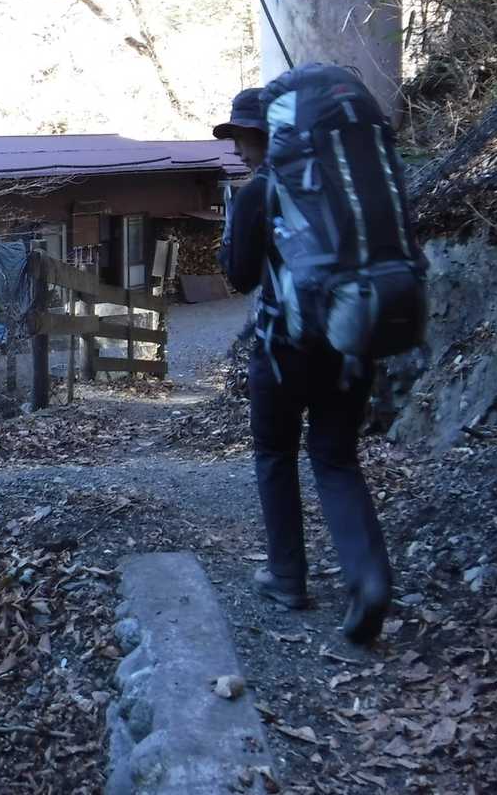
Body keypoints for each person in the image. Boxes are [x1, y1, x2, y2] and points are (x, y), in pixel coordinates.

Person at [214, 85, 394, 645]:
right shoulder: (348, 183)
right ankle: (369, 579)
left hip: (284, 348)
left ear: (263, 134)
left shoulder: (260, 189)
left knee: (275, 453)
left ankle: (288, 576)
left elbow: (240, 275)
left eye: (241, 136)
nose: (237, 148)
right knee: (336, 458)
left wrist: (234, 231)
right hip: (349, 341)